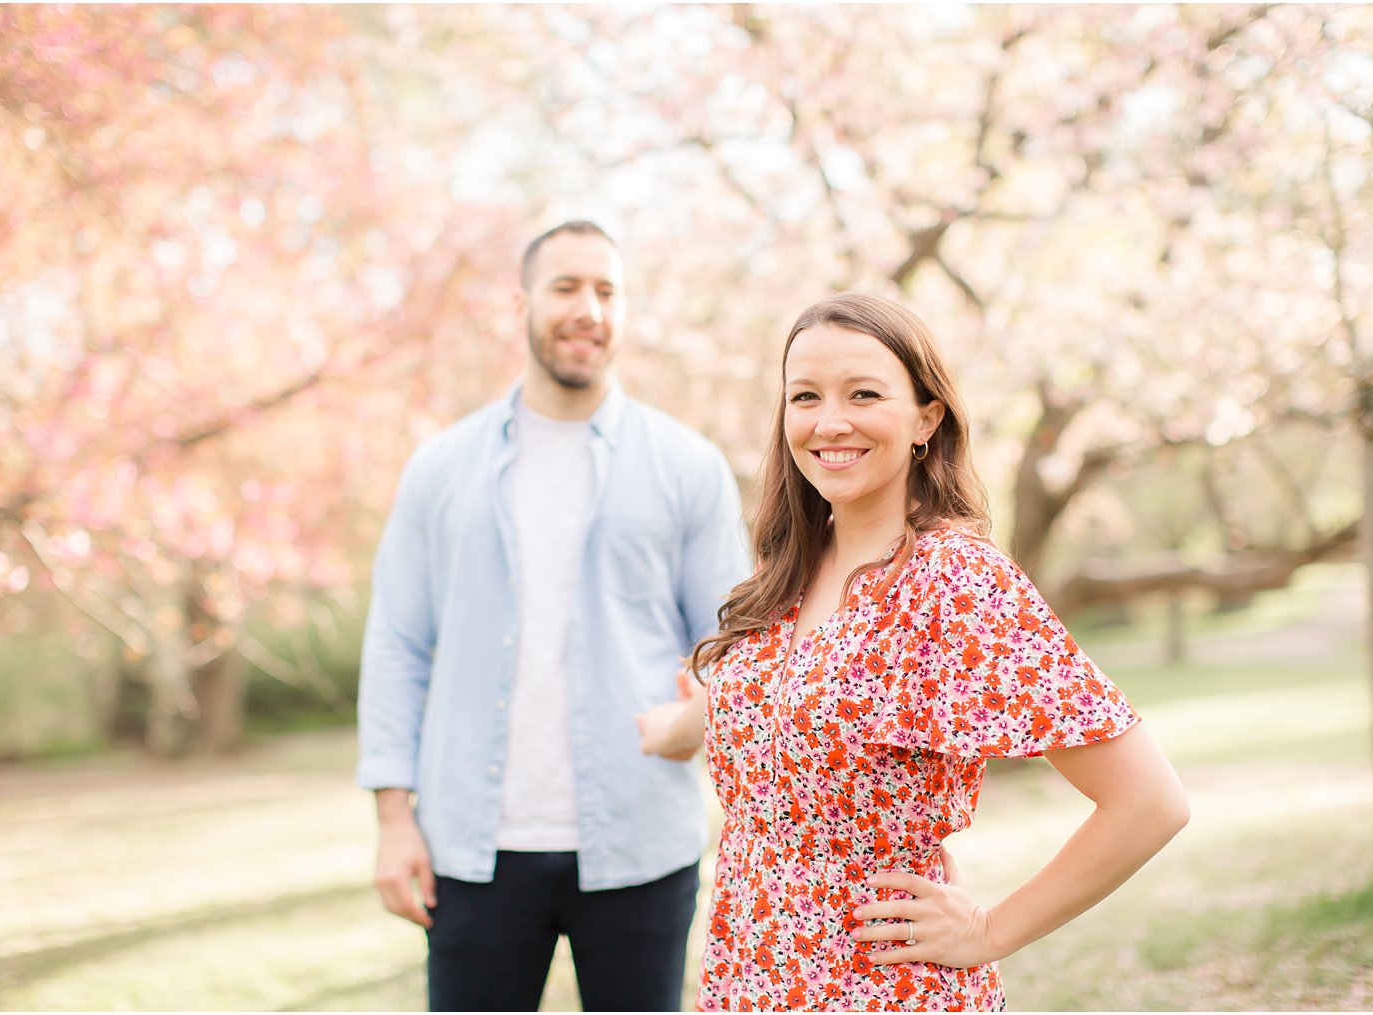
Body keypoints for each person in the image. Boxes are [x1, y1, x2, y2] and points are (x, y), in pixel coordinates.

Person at [638, 292, 1190, 1011]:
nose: (830, 421)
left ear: (926, 417)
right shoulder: (786, 576)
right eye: (804, 396)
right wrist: (671, 730)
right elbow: (782, 706)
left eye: (863, 393)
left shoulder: (952, 581)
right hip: (748, 982)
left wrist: (991, 930)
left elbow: (1149, 802)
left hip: (884, 988)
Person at [359, 220, 750, 1012]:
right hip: (471, 850)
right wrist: (394, 821)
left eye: (608, 291)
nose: (589, 309)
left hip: (642, 841)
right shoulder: (440, 469)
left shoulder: (688, 465)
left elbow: (739, 651)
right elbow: (399, 646)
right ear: (523, 303)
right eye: (567, 287)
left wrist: (695, 719)